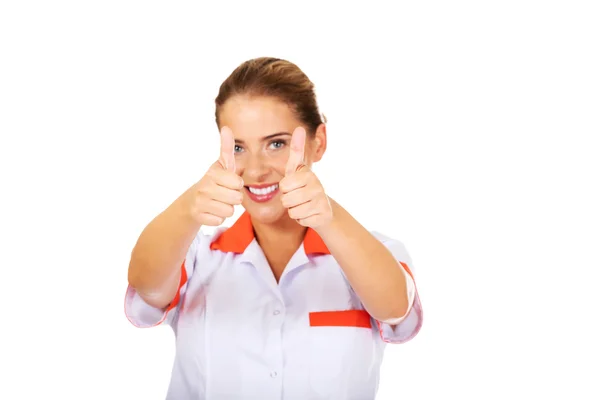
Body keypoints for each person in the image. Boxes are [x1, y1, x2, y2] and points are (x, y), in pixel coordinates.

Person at [125, 56, 423, 400]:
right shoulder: (198, 256)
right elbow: (145, 284)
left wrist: (328, 216)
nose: (255, 170)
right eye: (238, 148)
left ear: (319, 142)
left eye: (276, 144)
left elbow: (395, 308)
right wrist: (189, 208)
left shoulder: (369, 252)